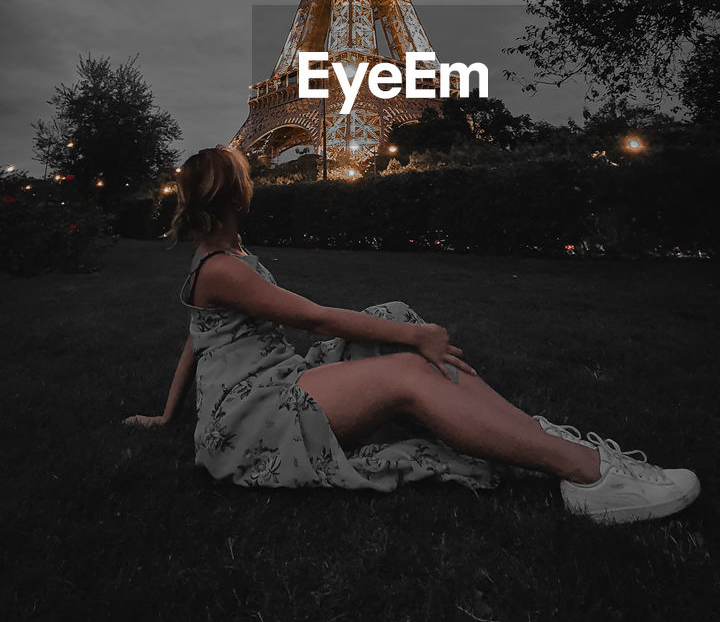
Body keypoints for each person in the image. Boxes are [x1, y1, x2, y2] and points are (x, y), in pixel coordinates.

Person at [124, 145, 700, 524]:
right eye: (247, 177)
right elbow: (316, 319)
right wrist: (423, 338)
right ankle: (588, 475)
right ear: (233, 194)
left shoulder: (225, 256)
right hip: (255, 417)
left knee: (395, 317)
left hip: (271, 385)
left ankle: (532, 434)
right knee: (406, 363)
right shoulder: (222, 267)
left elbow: (196, 341)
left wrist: (167, 414)